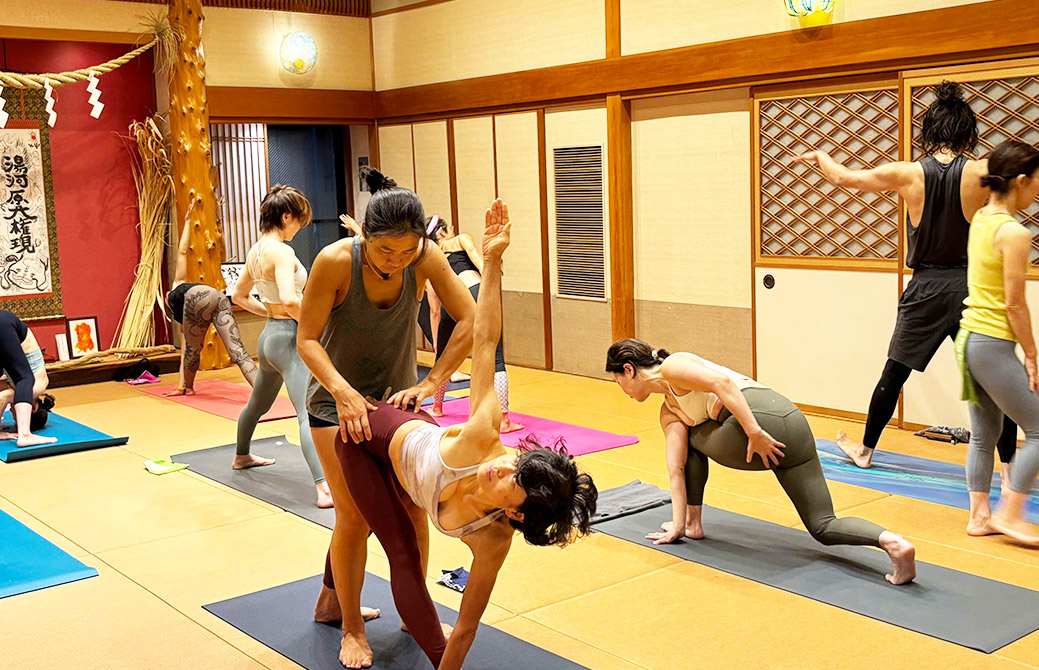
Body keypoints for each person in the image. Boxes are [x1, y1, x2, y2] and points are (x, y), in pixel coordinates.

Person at [331, 198, 596, 669]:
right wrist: (493, 261)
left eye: (508, 484)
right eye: (515, 463)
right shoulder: (482, 437)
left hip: (414, 469)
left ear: (515, 518)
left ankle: (352, 607)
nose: (501, 466)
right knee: (401, 550)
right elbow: (485, 339)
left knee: (403, 533)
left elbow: (470, 623)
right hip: (363, 436)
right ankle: (351, 627)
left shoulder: (493, 541)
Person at [298, 167, 478, 668]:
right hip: (335, 406)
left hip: (397, 406)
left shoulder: (424, 257)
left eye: (407, 253)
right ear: (365, 238)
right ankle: (351, 629)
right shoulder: (335, 262)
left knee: (413, 508)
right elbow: (307, 340)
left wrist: (430, 382)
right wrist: (344, 393)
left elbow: (469, 320)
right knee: (355, 516)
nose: (396, 262)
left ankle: (410, 609)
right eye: (384, 253)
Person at [795, 81, 1020, 476]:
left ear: (929, 131)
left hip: (927, 288)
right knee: (995, 378)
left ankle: (865, 451)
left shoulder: (906, 173)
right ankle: (1008, 469)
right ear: (968, 132)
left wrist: (820, 155)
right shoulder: (983, 171)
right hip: (971, 286)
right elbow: (1023, 175)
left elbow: (845, 179)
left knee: (894, 372)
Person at [606, 338, 917, 585]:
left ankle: (692, 523)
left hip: (754, 420)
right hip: (792, 420)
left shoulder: (674, 367)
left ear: (629, 369)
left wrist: (754, 431)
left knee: (691, 433)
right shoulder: (668, 409)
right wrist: (674, 524)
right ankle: (894, 544)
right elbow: (675, 469)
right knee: (823, 525)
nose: (621, 390)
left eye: (617, 380)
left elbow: (723, 385)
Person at [957, 139, 1039, 546]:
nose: (1038, 190)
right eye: (1036, 182)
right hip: (991, 343)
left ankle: (980, 517)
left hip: (969, 338)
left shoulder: (980, 219)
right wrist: (1032, 354)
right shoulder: (1014, 232)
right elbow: (1014, 303)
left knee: (983, 435)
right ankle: (1011, 514)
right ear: (1021, 181)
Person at [230, 185, 331, 508]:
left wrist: (271, 313)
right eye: (298, 221)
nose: (299, 228)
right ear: (286, 216)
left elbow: (239, 297)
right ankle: (323, 488)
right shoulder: (283, 252)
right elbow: (289, 299)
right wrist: (314, 325)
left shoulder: (255, 250)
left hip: (269, 337)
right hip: (288, 340)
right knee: (307, 412)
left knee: (258, 403)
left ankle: (242, 455)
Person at [419, 214, 521, 432]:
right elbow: (478, 256)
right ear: (443, 232)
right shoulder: (459, 239)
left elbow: (434, 310)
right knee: (496, 357)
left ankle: (437, 407)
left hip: (451, 304)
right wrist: (491, 279)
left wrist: (437, 342)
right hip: (475, 293)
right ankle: (504, 420)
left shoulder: (433, 262)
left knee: (443, 358)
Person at [165, 198, 258, 396]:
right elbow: (182, 253)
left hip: (199, 298)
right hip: (217, 295)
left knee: (193, 350)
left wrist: (189, 222)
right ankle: (261, 390)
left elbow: (188, 351)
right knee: (238, 350)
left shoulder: (176, 296)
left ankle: (188, 388)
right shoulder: (178, 288)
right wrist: (189, 221)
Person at [0, 310, 56, 446]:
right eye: (15, 414)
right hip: (5, 323)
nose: (12, 408)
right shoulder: (38, 386)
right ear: (33, 408)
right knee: (25, 378)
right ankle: (25, 434)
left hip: (4, 323)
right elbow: (3, 397)